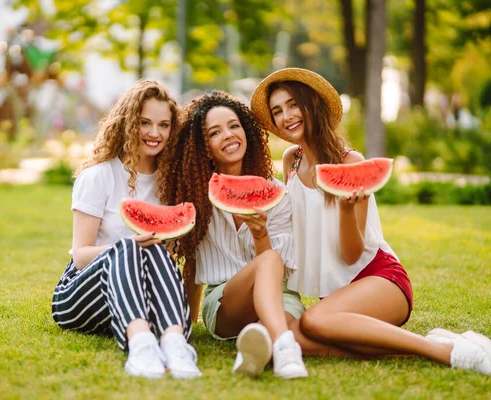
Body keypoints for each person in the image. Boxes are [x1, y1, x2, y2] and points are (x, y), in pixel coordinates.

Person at [249, 67, 491, 375]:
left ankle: (444, 351)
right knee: (295, 337)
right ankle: (430, 343)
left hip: (379, 280)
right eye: (277, 110)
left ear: (312, 105)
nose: (287, 116)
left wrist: (348, 210)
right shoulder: (291, 162)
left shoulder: (351, 162)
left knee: (311, 322)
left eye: (294, 104)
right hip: (337, 300)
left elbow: (352, 254)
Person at [51, 79, 201, 379]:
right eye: (145, 123)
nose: (154, 133)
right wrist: (131, 245)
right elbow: (80, 256)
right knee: (132, 246)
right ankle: (141, 344)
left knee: (153, 250)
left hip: (142, 298)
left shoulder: (169, 183)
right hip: (81, 296)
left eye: (164, 124)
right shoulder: (99, 176)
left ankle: (174, 343)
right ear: (129, 122)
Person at [157, 91, 308, 379]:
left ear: (247, 131)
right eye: (215, 132)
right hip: (227, 303)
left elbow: (279, 270)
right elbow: (192, 265)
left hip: (279, 296)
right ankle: (286, 349)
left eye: (234, 126)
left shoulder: (277, 193)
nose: (228, 135)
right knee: (269, 262)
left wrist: (260, 232)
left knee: (282, 315)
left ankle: (256, 350)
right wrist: (186, 324)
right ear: (203, 146)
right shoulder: (196, 198)